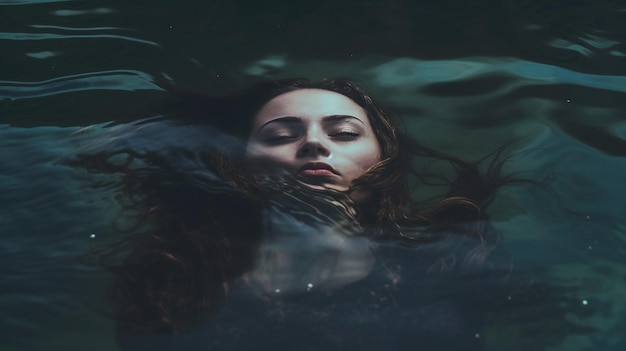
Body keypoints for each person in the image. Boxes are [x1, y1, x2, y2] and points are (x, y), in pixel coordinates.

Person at [71, 78, 521, 350]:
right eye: (281, 134)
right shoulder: (178, 278)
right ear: (242, 162)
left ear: (385, 161)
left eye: (344, 133)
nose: (314, 143)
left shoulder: (448, 264)